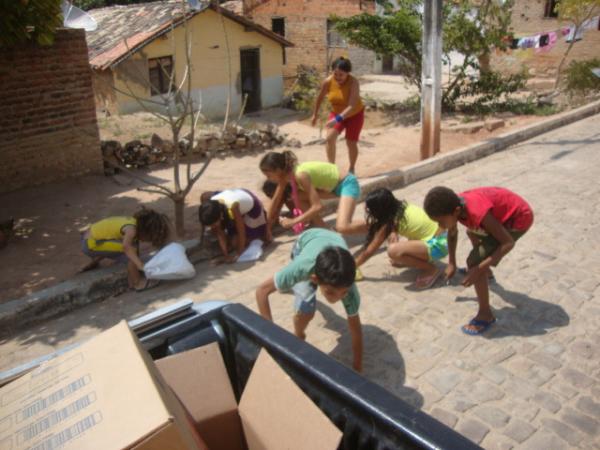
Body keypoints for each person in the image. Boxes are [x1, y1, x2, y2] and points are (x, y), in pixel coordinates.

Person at [423, 186, 534, 335]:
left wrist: (478, 269)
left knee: (474, 262)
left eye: (441, 222)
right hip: (504, 214)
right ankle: (486, 272)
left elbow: (508, 243)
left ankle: (485, 315)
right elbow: (452, 232)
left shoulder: (476, 212)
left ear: (455, 211)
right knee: (471, 232)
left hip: (519, 218)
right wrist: (452, 263)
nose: (440, 226)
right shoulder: (454, 205)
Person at [255, 228, 363, 371]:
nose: (338, 298)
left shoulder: (348, 286)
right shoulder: (302, 268)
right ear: (315, 279)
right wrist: (271, 335)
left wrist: (357, 368)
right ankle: (299, 334)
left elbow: (356, 330)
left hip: (333, 241)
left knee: (301, 293)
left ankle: (287, 284)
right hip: (305, 241)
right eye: (330, 293)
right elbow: (261, 291)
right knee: (305, 310)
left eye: (343, 293)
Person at [355, 188, 448, 288]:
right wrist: (393, 232)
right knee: (399, 250)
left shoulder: (390, 223)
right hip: (442, 239)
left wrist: (353, 266)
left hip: (439, 246)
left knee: (393, 251)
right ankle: (422, 259)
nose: (367, 209)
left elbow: (369, 251)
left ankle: (431, 269)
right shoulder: (402, 207)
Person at [259, 150, 363, 237]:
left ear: (278, 170)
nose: (268, 179)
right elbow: (276, 201)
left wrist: (294, 221)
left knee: (343, 227)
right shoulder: (284, 177)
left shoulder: (300, 175)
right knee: (297, 196)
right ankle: (325, 231)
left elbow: (318, 206)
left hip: (347, 184)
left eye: (269, 175)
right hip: (333, 189)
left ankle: (377, 225)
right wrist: (267, 228)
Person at [80, 208, 171, 291]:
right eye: (149, 237)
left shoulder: (132, 223)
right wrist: (140, 265)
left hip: (91, 238)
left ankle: (94, 262)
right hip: (91, 244)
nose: (148, 240)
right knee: (130, 254)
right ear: (145, 230)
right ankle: (137, 283)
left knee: (131, 248)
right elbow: (126, 248)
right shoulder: (131, 230)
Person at [312, 57, 364, 174]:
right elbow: (319, 98)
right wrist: (314, 114)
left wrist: (338, 119)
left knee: (351, 142)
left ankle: (351, 168)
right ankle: (332, 169)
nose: (338, 77)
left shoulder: (353, 82)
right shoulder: (328, 81)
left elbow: (351, 105)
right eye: (335, 74)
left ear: (348, 73)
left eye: (341, 74)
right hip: (336, 113)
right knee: (329, 139)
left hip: (354, 115)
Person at [199, 188, 268, 263]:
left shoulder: (233, 206)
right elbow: (219, 232)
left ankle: (261, 235)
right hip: (234, 206)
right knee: (232, 240)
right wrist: (226, 256)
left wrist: (240, 253)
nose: (212, 227)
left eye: (213, 224)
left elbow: (241, 231)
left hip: (252, 208)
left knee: (236, 243)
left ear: (220, 216)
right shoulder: (212, 204)